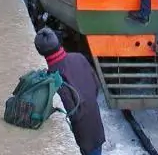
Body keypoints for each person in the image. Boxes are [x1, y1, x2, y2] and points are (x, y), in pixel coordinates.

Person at [34, 27, 105, 155]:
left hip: (81, 137)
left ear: (41, 52)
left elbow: (69, 110)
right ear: (58, 43)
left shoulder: (54, 77)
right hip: (96, 126)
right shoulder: (79, 57)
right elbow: (96, 86)